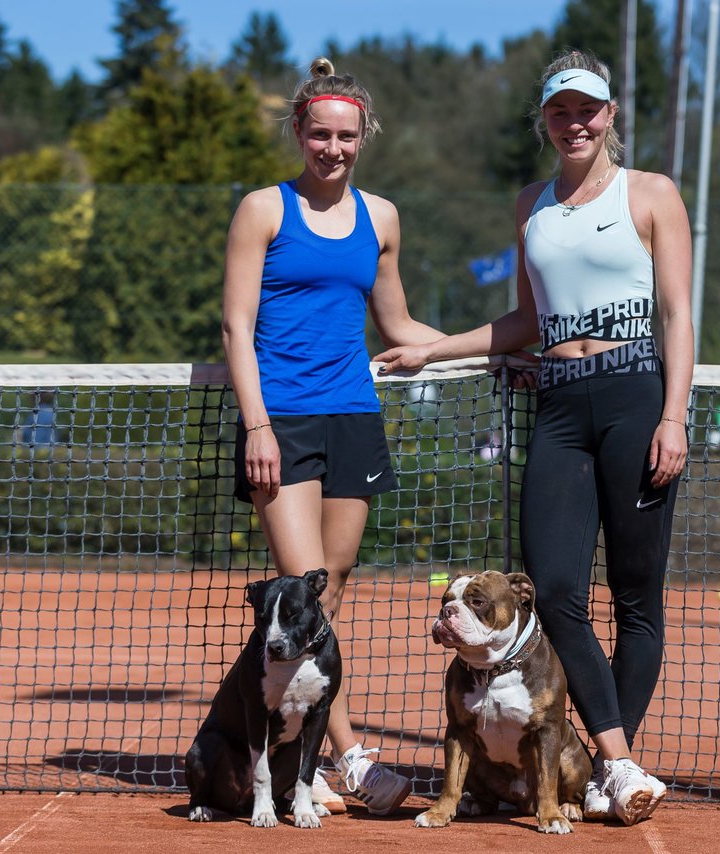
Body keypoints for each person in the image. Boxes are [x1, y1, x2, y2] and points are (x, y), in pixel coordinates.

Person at [375, 49, 693, 826]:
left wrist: (673, 414)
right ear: (545, 120)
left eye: (588, 108)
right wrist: (435, 348)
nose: (574, 122)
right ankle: (616, 766)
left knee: (637, 602)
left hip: (637, 397)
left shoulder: (651, 194)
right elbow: (528, 318)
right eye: (560, 111)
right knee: (554, 592)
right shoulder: (532, 205)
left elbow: (679, 314)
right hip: (558, 405)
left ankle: (607, 764)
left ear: (610, 114)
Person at [221, 57, 443, 817]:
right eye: (320, 134)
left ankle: (293, 745)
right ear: (299, 132)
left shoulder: (380, 218)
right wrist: (256, 424)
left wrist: (490, 349)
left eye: (346, 136)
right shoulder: (262, 210)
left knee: (331, 589)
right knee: (302, 578)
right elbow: (235, 325)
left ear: (363, 137)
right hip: (279, 421)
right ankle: (349, 760)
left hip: (354, 415)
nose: (334, 148)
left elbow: (400, 324)